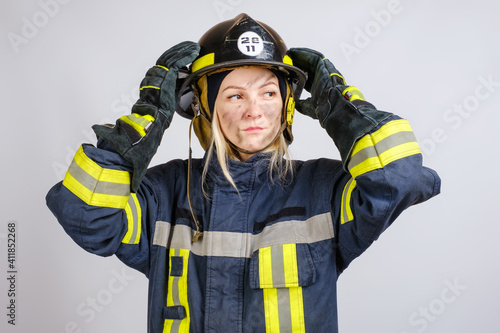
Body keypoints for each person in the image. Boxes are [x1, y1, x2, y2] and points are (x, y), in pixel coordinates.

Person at [46, 13, 441, 333]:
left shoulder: (324, 192)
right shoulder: (164, 194)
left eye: (269, 93)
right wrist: (142, 126)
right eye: (234, 95)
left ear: (287, 106)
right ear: (204, 109)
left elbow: (397, 180)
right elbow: (87, 216)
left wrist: (341, 108)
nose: (255, 111)